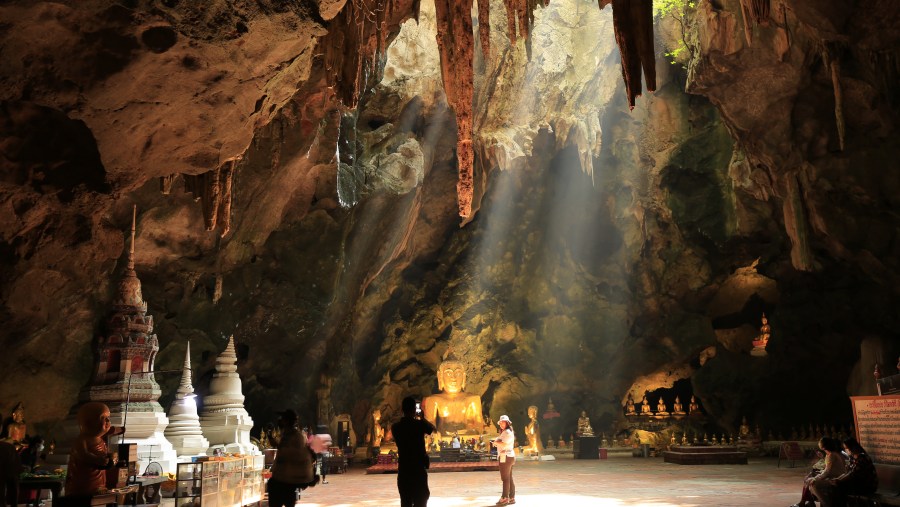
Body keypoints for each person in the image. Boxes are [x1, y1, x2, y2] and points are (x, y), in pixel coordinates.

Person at [267, 410, 332, 507]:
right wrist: (270, 436)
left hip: (286, 479)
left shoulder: (294, 436)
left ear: (286, 421)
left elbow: (286, 451)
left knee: (276, 492)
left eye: (282, 419)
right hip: (286, 478)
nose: (279, 421)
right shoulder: (289, 435)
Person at [391, 396, 435, 507]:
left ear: (402, 410)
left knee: (405, 502)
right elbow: (431, 429)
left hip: (404, 470)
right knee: (421, 501)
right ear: (415, 410)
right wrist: (422, 418)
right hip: (418, 470)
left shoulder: (395, 427)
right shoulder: (419, 425)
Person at [821, 438, 878, 505]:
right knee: (835, 486)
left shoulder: (862, 457)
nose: (846, 450)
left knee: (839, 487)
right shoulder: (853, 457)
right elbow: (848, 472)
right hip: (857, 483)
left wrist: (839, 480)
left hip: (867, 485)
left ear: (852, 447)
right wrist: (838, 479)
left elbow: (853, 473)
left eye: (846, 448)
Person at [794, 437, 846, 507]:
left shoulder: (832, 455)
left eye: (820, 442)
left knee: (812, 483)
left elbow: (828, 472)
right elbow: (829, 469)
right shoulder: (832, 454)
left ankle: (825, 503)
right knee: (810, 477)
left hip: (835, 478)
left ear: (823, 446)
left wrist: (815, 478)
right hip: (833, 476)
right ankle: (809, 502)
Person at [491, 415, 516, 505]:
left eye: (503, 422)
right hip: (508, 456)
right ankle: (512, 497)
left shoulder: (507, 432)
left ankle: (504, 497)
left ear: (507, 423)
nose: (501, 424)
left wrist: (496, 442)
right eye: (500, 423)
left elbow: (504, 444)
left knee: (505, 478)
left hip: (505, 457)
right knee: (509, 478)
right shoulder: (506, 432)